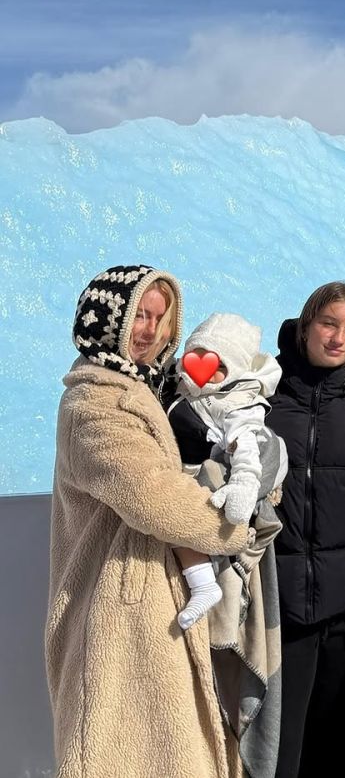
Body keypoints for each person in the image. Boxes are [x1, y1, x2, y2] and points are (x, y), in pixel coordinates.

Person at [46, 265, 250, 778]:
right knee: (118, 755)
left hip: (150, 601)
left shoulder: (145, 390)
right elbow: (155, 497)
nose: (150, 330)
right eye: (139, 314)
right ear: (108, 318)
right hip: (116, 611)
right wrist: (241, 527)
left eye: (160, 318)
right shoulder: (94, 405)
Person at [267, 282, 345, 778]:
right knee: (279, 745)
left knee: (342, 741)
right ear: (305, 327)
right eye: (328, 324)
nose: (338, 338)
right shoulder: (266, 397)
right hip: (281, 600)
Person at [166, 312, 287, 630]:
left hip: (203, 483)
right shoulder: (178, 385)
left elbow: (246, 452)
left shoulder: (238, 404)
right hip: (177, 472)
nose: (206, 373)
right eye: (197, 358)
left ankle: (204, 585)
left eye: (221, 367)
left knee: (176, 523)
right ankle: (203, 584)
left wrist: (244, 487)